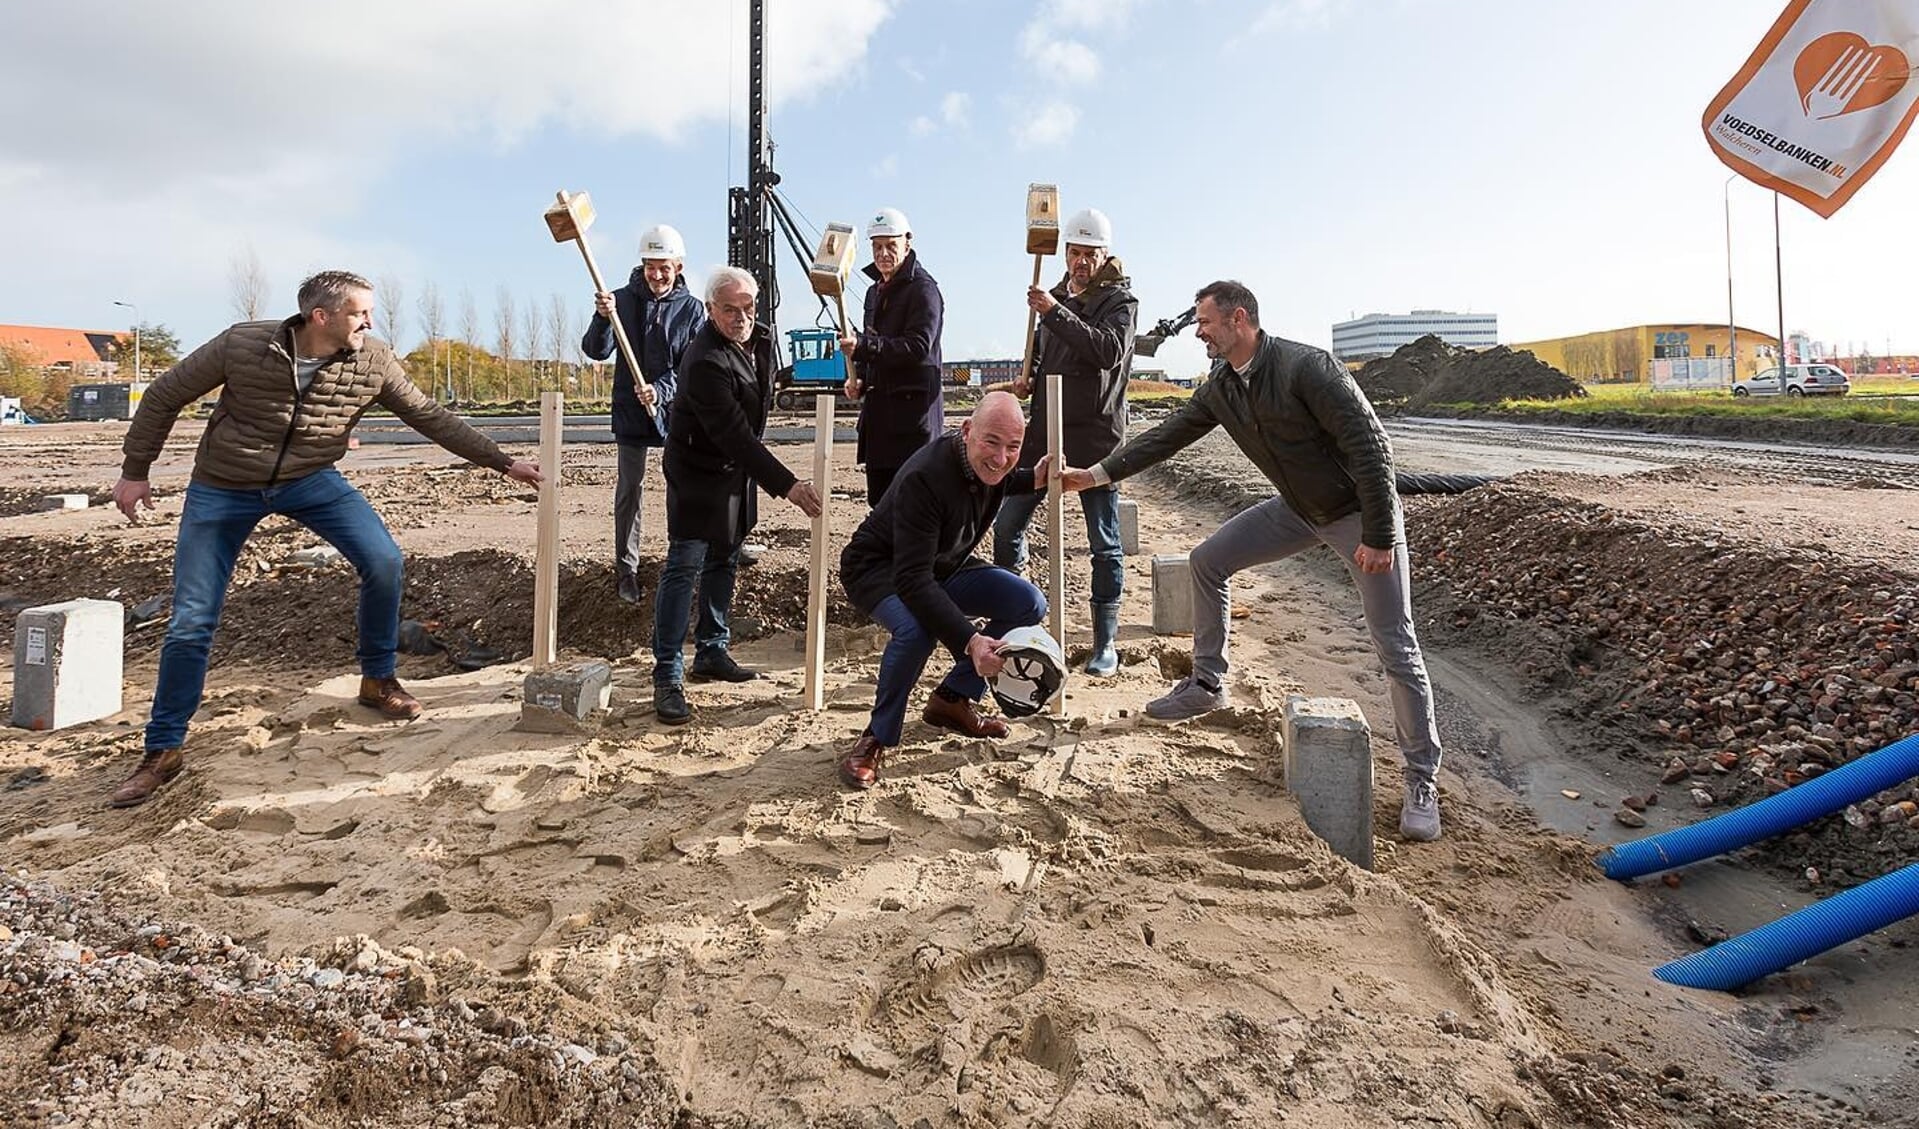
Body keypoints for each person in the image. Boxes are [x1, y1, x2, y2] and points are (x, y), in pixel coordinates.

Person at [107, 271, 542, 808]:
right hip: (224, 486)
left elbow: (429, 416)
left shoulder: (373, 359)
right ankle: (163, 750)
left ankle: (378, 679)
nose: (370, 322)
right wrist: (135, 471)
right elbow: (163, 395)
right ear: (322, 317)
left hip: (311, 480)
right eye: (361, 312)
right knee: (193, 617)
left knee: (383, 561)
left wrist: (503, 462)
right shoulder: (244, 343)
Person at [1058, 281, 1445, 842]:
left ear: (1239, 320)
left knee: (1395, 645)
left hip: (1356, 516)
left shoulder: (1307, 368)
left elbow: (1372, 447)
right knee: (1208, 560)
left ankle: (1420, 779)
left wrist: (1381, 535)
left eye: (1206, 323)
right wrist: (1094, 476)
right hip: (1297, 509)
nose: (1198, 332)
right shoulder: (1222, 386)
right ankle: (1207, 683)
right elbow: (1167, 436)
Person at [835, 392, 1050, 789]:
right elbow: (913, 581)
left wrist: (1040, 476)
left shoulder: (992, 468)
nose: (1001, 458)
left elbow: (1003, 478)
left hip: (941, 564)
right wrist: (971, 640)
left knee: (1028, 602)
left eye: (1013, 447)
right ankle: (876, 737)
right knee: (917, 631)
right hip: (880, 568)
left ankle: (951, 700)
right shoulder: (927, 476)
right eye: (992, 442)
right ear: (967, 431)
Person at [653, 267, 822, 723]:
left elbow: (762, 400)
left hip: (734, 474)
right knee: (684, 563)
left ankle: (712, 649)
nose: (741, 317)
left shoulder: (761, 339)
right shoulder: (704, 359)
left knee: (725, 557)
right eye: (730, 309)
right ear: (711, 310)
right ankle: (667, 674)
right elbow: (734, 435)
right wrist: (788, 485)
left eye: (748, 307)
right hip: (697, 471)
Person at [995, 207, 1137, 677]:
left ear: (1103, 255)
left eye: (1088, 254)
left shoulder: (1120, 303)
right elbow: (1048, 358)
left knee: (1103, 542)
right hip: (1043, 436)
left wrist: (1054, 312)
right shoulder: (1052, 296)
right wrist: (1029, 380)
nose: (1079, 261)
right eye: (1074, 253)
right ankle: (1017, 617)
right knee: (1007, 525)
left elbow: (1104, 351)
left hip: (1096, 438)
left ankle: (1105, 643)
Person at [581, 224, 705, 604]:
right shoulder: (619, 301)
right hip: (631, 414)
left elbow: (693, 367)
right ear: (643, 265)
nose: (657, 274)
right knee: (629, 492)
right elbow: (594, 351)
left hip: (672, 414)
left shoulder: (692, 310)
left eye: (665, 267)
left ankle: (679, 561)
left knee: (680, 488)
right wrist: (602, 317)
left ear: (678, 266)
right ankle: (626, 571)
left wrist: (661, 389)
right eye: (651, 266)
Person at [839, 206, 944, 506]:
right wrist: (859, 375)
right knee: (880, 503)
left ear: (907, 243)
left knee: (912, 505)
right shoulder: (875, 293)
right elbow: (873, 343)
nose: (883, 253)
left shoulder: (924, 291)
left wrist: (863, 347)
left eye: (891, 246)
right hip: (880, 420)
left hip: (911, 424)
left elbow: (917, 347)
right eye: (877, 247)